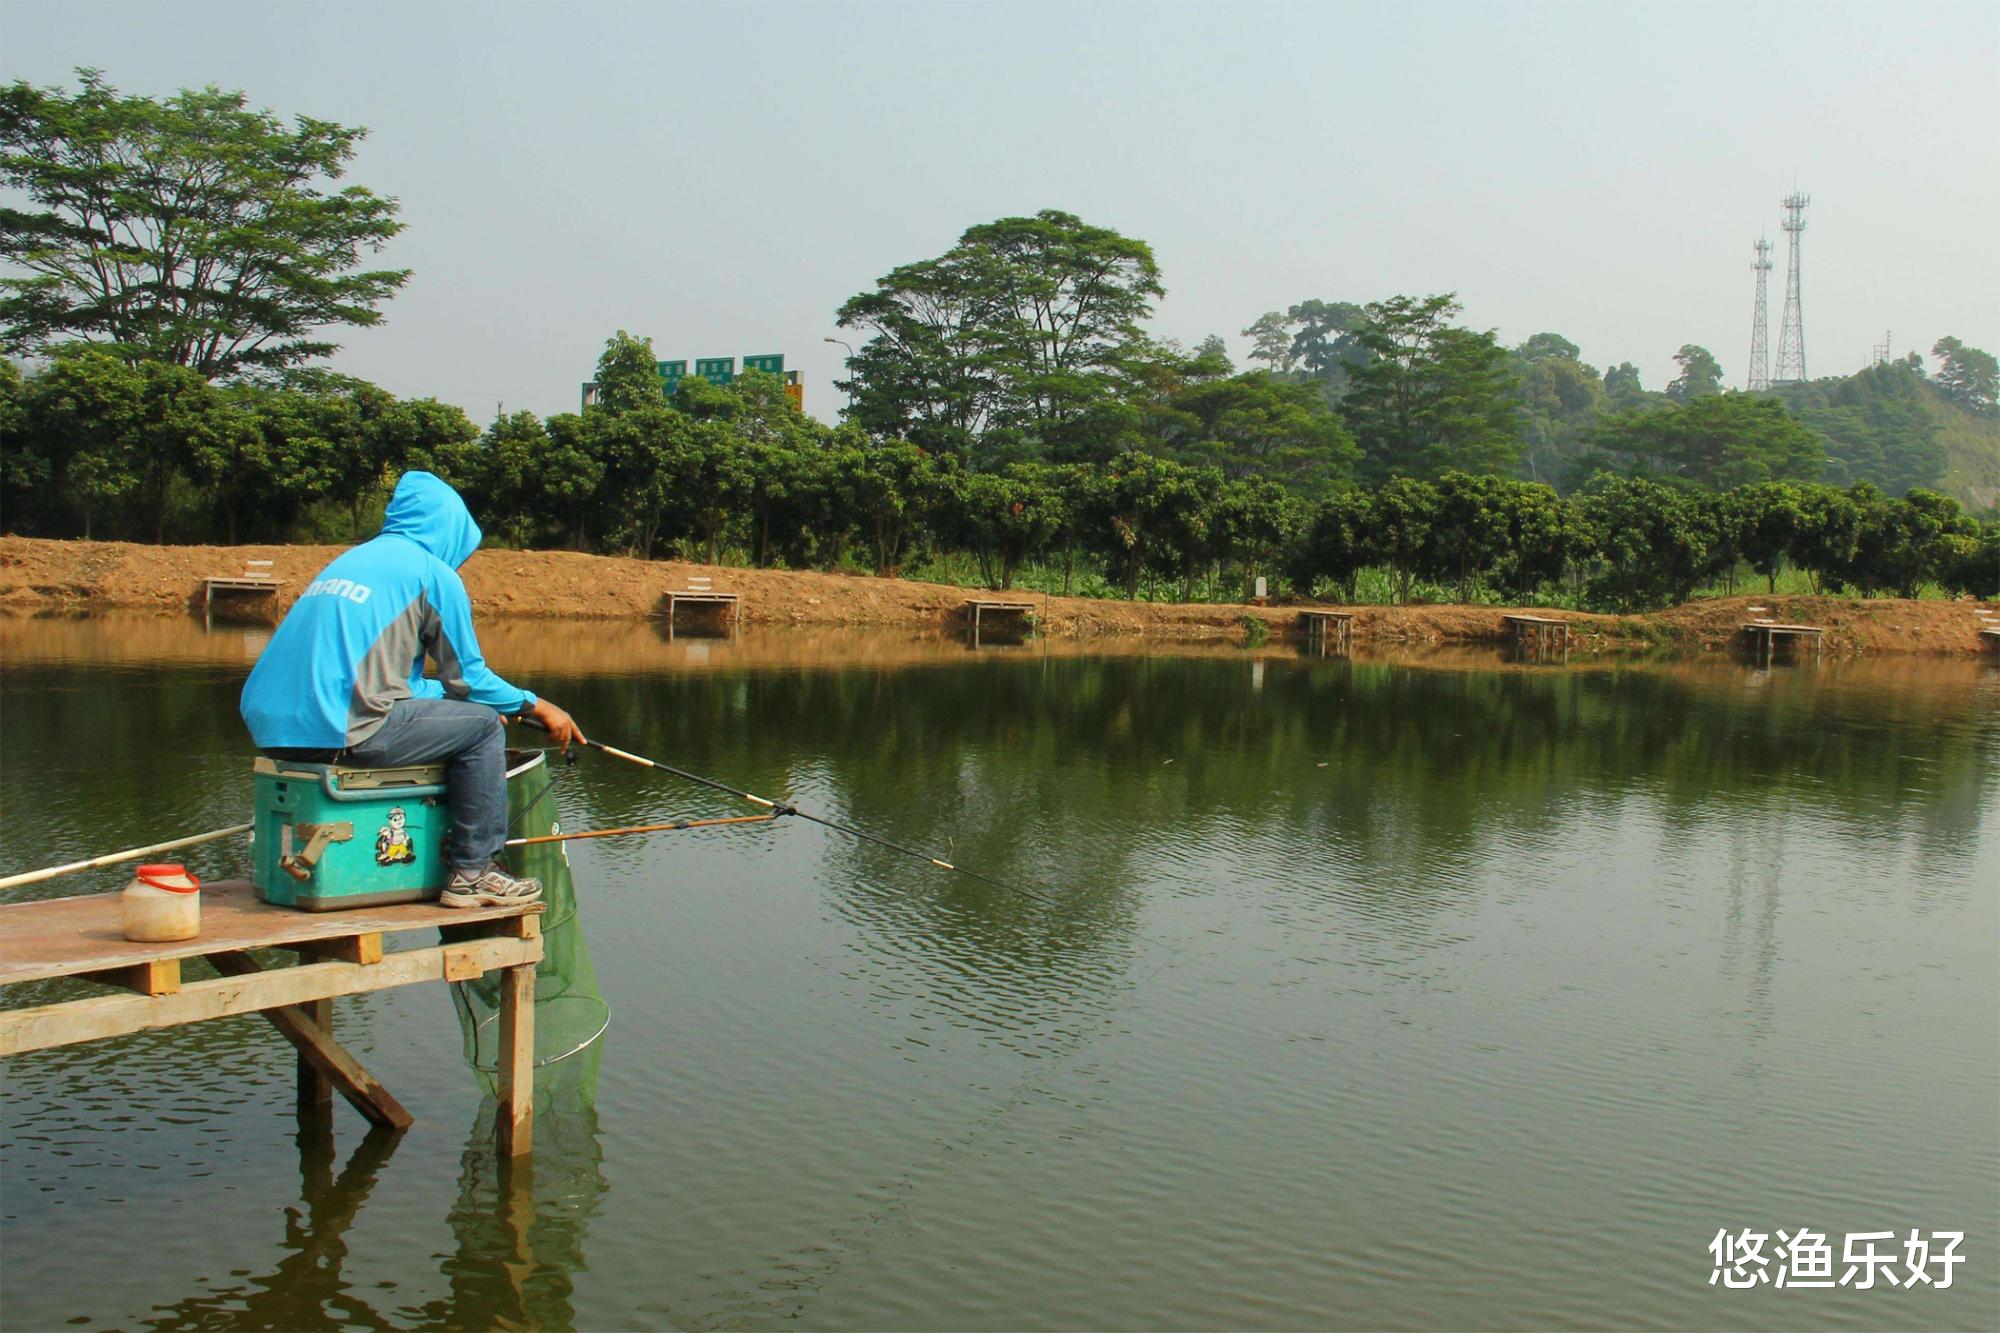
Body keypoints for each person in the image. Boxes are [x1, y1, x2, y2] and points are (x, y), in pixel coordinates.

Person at [240, 471, 585, 907]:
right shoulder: (432, 573)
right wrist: (537, 706)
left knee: (469, 717)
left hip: (275, 732)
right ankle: (473, 874)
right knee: (481, 727)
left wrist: (452, 710)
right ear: (452, 530)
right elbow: (470, 680)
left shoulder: (352, 562)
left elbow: (397, 682)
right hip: (340, 728)